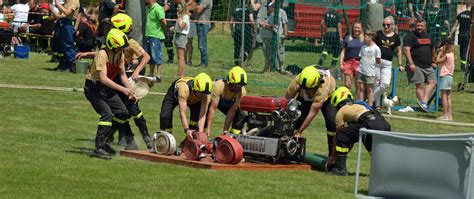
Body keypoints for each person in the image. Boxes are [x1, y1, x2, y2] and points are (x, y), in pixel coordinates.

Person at [84, 29, 137, 157]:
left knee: (123, 112)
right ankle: (98, 147)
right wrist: (123, 90)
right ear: (113, 45)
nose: (122, 49)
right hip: (93, 88)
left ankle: (106, 141)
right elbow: (103, 78)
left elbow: (122, 74)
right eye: (120, 47)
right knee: (107, 114)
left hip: (106, 88)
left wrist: (131, 91)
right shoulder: (102, 54)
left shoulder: (120, 54)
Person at [327, 86, 391, 176]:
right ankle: (386, 172)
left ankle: (340, 169)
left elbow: (340, 136)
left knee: (341, 135)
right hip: (383, 124)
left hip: (368, 123)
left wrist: (333, 157)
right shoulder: (360, 105)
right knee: (371, 146)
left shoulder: (342, 110)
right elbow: (350, 138)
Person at [285, 66, 337, 159]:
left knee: (332, 122)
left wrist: (299, 132)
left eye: (309, 90)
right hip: (304, 97)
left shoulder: (323, 87)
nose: (307, 92)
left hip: (328, 99)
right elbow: (287, 101)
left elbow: (312, 112)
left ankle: (333, 156)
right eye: (304, 89)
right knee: (295, 119)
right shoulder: (297, 81)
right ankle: (287, 148)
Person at [159, 73, 213, 139]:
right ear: (195, 88)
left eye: (205, 94)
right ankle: (166, 139)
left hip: (193, 99)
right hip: (174, 96)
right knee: (165, 116)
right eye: (201, 93)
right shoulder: (184, 89)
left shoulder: (206, 96)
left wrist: (200, 132)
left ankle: (189, 143)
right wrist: (187, 130)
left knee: (195, 122)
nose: (202, 96)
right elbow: (182, 113)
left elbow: (203, 115)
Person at [403, 18, 436, 112]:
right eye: (418, 25)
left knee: (433, 82)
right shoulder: (410, 36)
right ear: (415, 26)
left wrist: (433, 61)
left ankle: (423, 102)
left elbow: (432, 49)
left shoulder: (428, 36)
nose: (419, 27)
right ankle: (424, 105)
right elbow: (406, 50)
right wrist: (411, 63)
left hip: (428, 65)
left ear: (425, 27)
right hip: (416, 65)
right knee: (420, 85)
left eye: (421, 26)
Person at [205, 66, 247, 136]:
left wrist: (225, 131)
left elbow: (232, 111)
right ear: (230, 82)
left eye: (240, 86)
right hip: (211, 99)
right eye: (236, 86)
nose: (238, 88)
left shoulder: (242, 92)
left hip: (228, 102)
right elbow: (212, 108)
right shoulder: (219, 86)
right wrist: (208, 128)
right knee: (204, 111)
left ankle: (233, 136)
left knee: (240, 115)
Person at [374, 17, 403, 109]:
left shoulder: (396, 37)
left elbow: (399, 52)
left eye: (388, 25)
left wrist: (400, 64)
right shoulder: (378, 34)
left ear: (392, 25)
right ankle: (377, 106)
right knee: (376, 83)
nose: (385, 26)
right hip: (376, 62)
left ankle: (371, 98)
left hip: (387, 63)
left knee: (385, 84)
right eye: (384, 25)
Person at [49, 0, 81, 73]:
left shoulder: (74, 1)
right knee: (62, 46)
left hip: (68, 25)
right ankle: (63, 64)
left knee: (68, 45)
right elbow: (59, 17)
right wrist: (52, 10)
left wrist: (57, 4)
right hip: (63, 24)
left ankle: (71, 66)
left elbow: (67, 12)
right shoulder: (65, 3)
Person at [259, 1, 288, 72]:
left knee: (279, 53)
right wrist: (263, 25)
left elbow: (282, 25)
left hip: (277, 37)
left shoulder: (281, 12)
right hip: (266, 38)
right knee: (267, 54)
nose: (268, 9)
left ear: (273, 7)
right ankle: (267, 68)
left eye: (269, 7)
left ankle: (281, 68)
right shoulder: (269, 14)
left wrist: (285, 34)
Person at [357, 30, 381, 107]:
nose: (364, 38)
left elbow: (378, 60)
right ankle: (361, 104)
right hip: (361, 70)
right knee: (360, 87)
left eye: (366, 36)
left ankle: (370, 105)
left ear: (370, 37)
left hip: (370, 72)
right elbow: (361, 58)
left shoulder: (376, 48)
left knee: (369, 89)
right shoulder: (363, 47)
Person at [145, 0, 166, 82]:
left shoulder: (158, 8)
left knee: (157, 56)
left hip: (156, 36)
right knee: (150, 57)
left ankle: (158, 76)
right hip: (149, 35)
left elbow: (163, 21)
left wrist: (164, 30)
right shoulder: (150, 8)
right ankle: (151, 75)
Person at [318, 3, 343, 71]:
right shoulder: (338, 14)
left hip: (328, 33)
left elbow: (322, 23)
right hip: (335, 34)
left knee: (326, 48)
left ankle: (322, 59)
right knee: (336, 50)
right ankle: (333, 64)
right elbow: (339, 25)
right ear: (337, 7)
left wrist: (322, 32)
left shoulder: (327, 13)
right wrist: (340, 37)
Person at [434, 39, 454, 121]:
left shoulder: (447, 55)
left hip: (445, 76)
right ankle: (449, 115)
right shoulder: (452, 54)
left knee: (444, 96)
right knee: (448, 97)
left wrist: (439, 52)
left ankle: (445, 115)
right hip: (450, 76)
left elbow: (437, 61)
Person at [339, 21, 364, 90]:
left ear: (361, 29)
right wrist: (341, 64)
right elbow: (343, 52)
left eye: (358, 28)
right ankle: (348, 99)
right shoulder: (347, 38)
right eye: (355, 27)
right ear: (352, 28)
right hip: (348, 63)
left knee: (358, 86)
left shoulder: (364, 40)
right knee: (347, 84)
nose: (356, 29)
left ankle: (357, 100)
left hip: (359, 63)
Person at [230, 0, 254, 66]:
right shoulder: (249, 9)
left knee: (237, 47)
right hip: (247, 31)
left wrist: (232, 31)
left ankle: (236, 63)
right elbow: (251, 20)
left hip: (237, 31)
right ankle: (243, 57)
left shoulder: (235, 9)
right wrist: (254, 28)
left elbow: (231, 22)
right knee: (248, 47)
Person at [188, 0, 212, 67]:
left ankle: (204, 63)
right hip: (200, 23)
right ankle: (203, 62)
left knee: (202, 44)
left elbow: (199, 9)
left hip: (203, 24)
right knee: (201, 44)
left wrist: (188, 7)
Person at [450, 3, 471, 71]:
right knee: (467, 50)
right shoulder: (472, 15)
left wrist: (450, 34)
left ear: (466, 6)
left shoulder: (460, 14)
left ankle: (463, 66)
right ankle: (466, 66)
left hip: (461, 35)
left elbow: (455, 25)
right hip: (468, 35)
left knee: (462, 50)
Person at [171, 1, 190, 78]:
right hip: (178, 36)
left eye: (178, 7)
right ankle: (180, 74)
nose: (177, 8)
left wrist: (179, 18)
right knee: (179, 57)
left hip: (182, 37)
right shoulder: (181, 16)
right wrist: (174, 28)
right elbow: (179, 27)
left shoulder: (185, 16)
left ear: (183, 8)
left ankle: (181, 75)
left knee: (181, 57)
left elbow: (182, 26)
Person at [185, 0, 197, 66]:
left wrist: (186, 11)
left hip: (191, 24)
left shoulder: (194, 4)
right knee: (183, 43)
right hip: (184, 24)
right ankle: (184, 60)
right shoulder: (183, 3)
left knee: (189, 43)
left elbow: (194, 14)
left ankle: (189, 60)